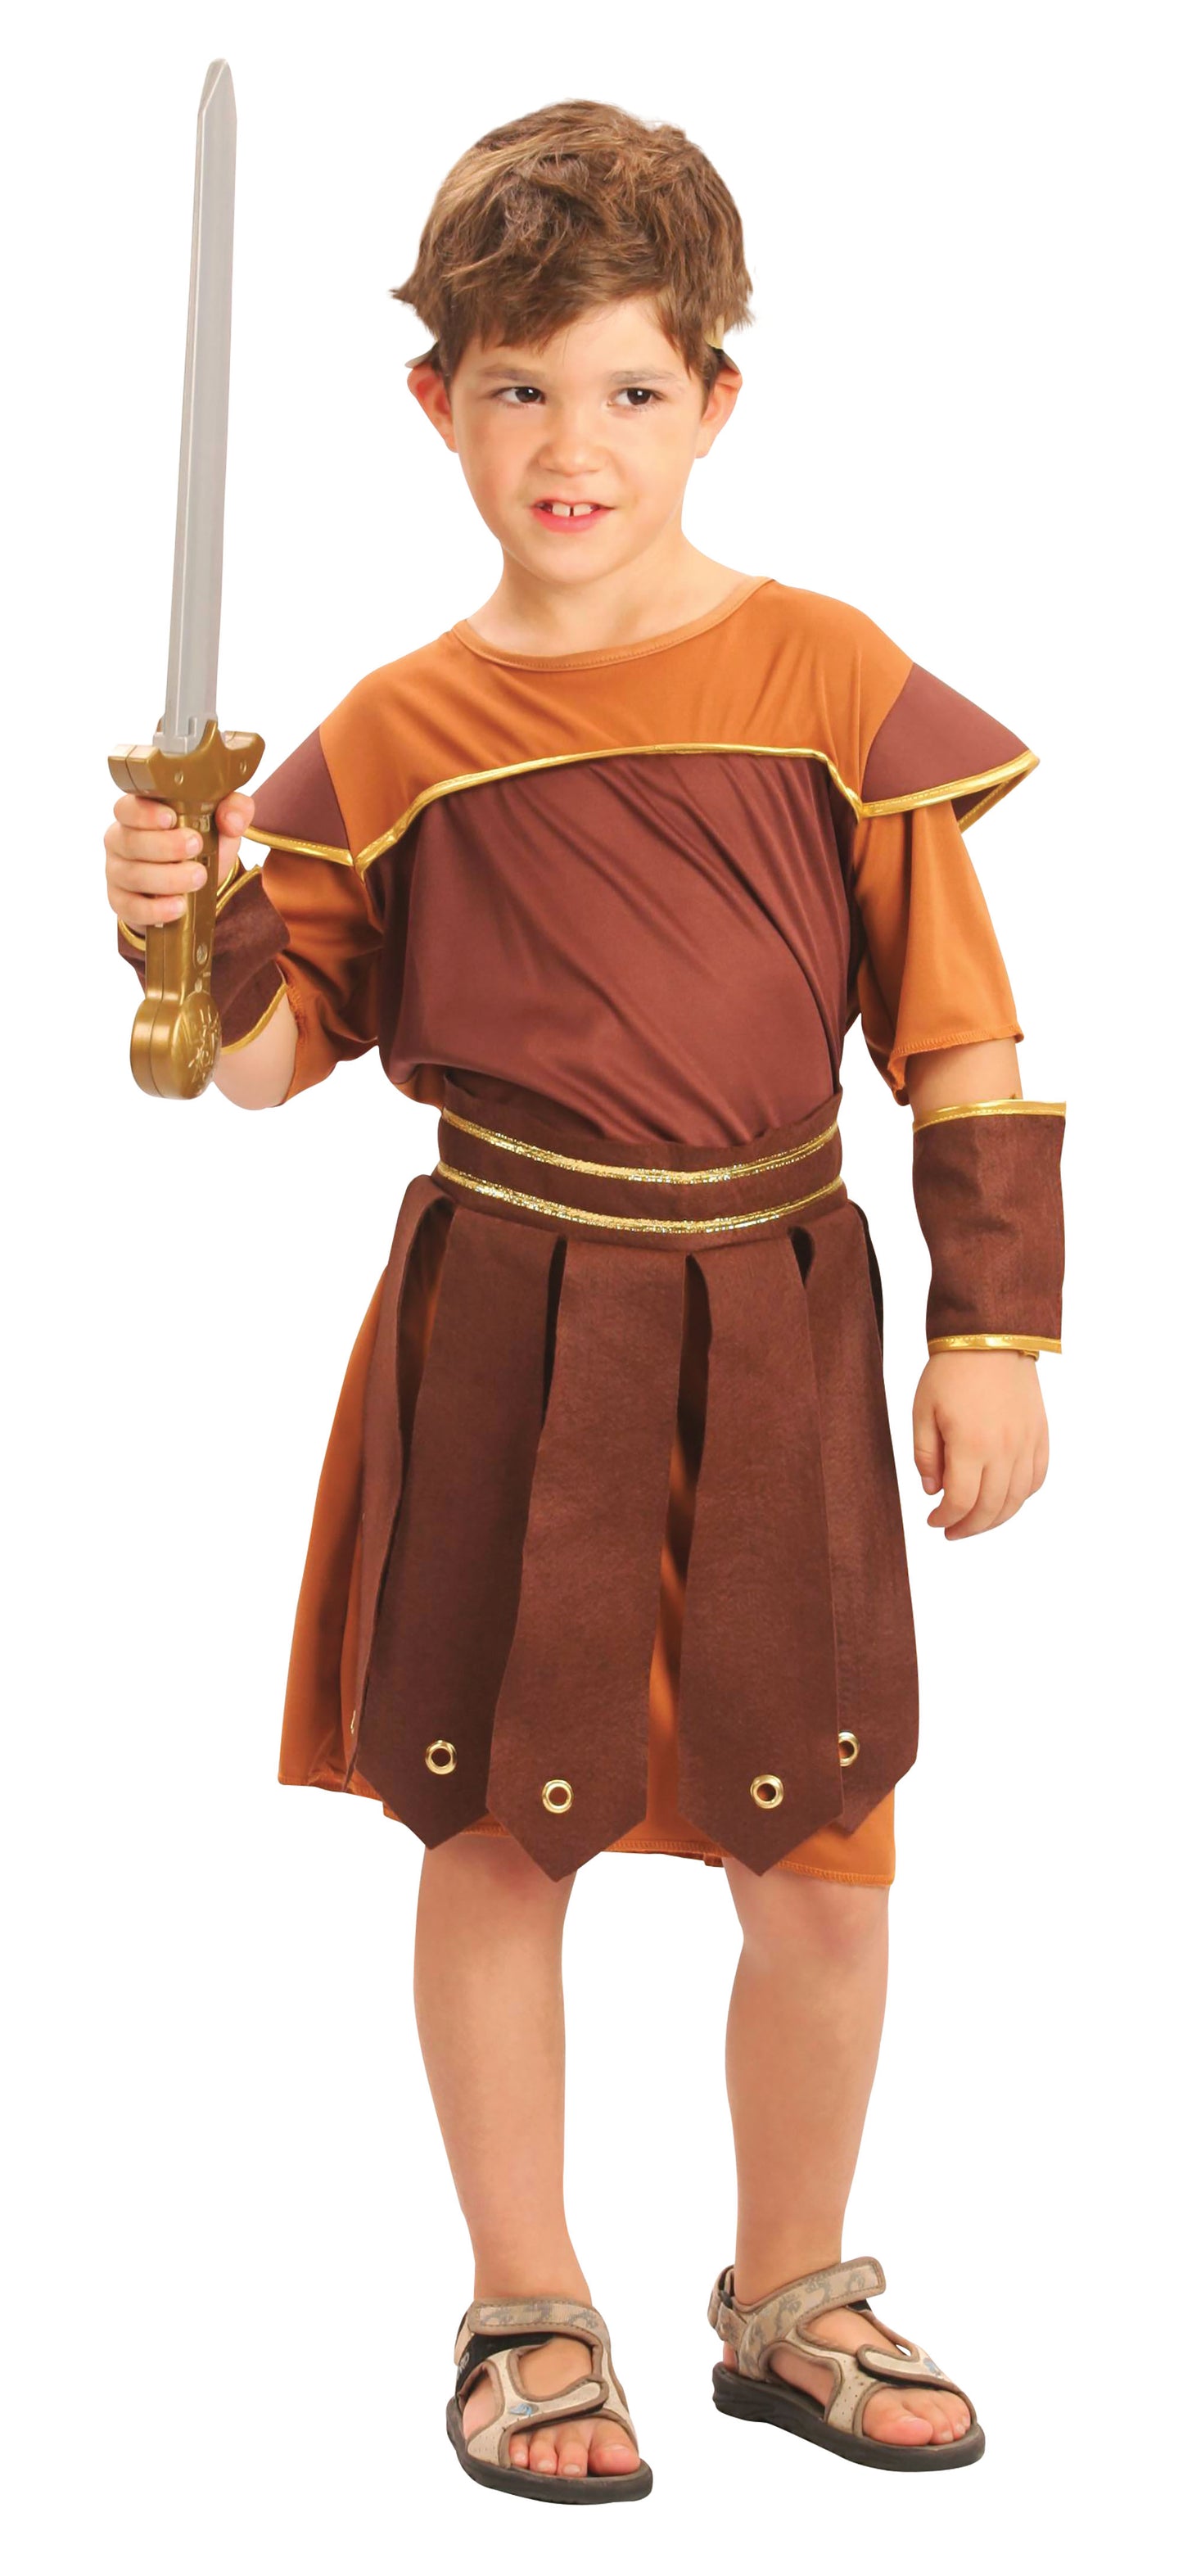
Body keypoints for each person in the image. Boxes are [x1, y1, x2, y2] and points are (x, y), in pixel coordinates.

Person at [103, 100, 1064, 2497]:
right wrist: (189, 932)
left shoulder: (830, 675)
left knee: (820, 1848)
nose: (573, 445)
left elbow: (963, 1038)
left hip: (778, 1323)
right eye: (519, 387)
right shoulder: (395, 734)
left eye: (631, 388)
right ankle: (529, 2306)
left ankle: (793, 2290)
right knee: (492, 1830)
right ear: (435, 403)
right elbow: (260, 1068)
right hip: (508, 1331)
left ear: (717, 399)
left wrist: (991, 1336)